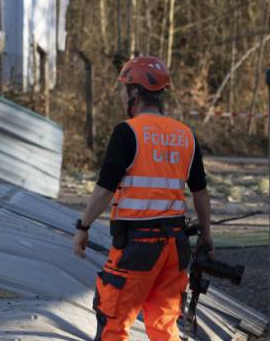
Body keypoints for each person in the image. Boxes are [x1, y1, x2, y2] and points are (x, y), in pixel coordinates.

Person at [72, 55, 213, 341]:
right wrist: (207, 236)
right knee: (164, 327)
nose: (123, 94)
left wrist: (83, 227)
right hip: (175, 246)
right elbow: (200, 192)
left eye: (125, 88)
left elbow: (104, 190)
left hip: (136, 248)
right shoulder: (186, 135)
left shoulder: (127, 132)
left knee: (114, 324)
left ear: (135, 92)